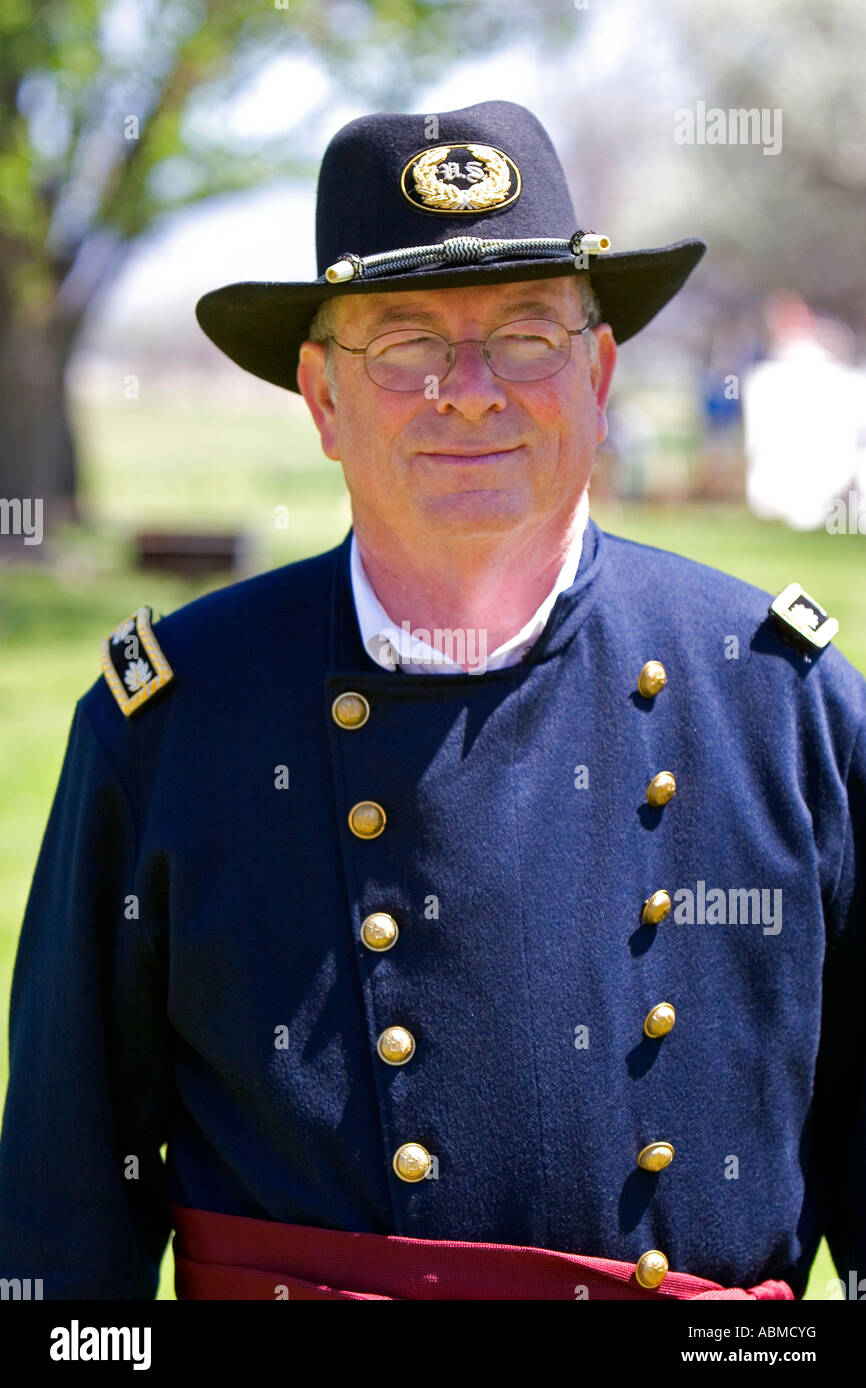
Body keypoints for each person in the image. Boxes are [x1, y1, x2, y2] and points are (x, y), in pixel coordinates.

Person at [1, 100, 864, 1302]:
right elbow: (59, 1219)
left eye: (523, 336)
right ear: (319, 400)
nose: (468, 391)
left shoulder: (783, 703)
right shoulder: (172, 727)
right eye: (403, 345)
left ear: (597, 371)